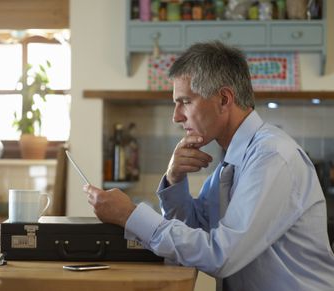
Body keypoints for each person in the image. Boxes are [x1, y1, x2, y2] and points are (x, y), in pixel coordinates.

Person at [83, 41, 334, 291]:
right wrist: (174, 180)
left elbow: (220, 254)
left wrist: (130, 215)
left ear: (224, 99)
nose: (176, 116)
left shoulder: (272, 156)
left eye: (185, 101)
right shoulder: (232, 162)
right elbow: (192, 230)